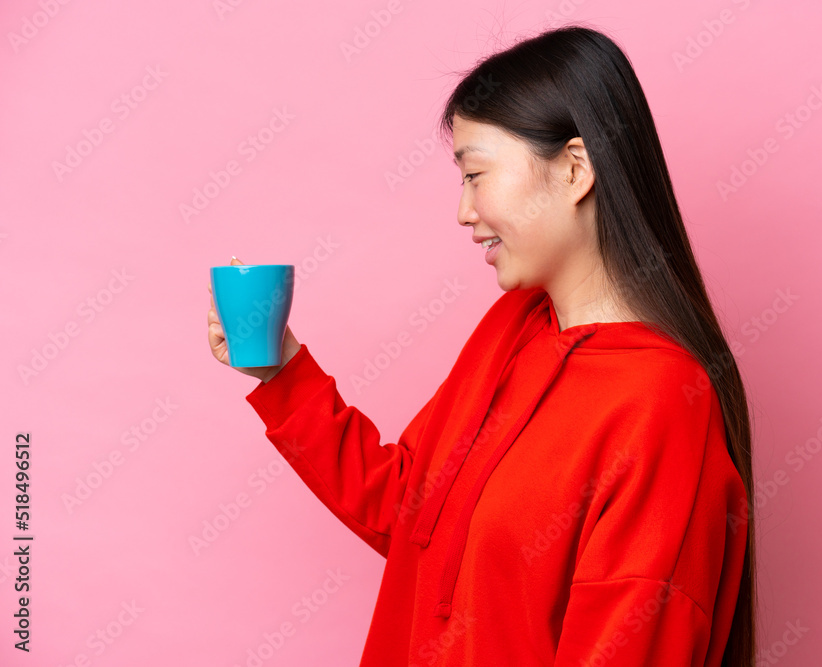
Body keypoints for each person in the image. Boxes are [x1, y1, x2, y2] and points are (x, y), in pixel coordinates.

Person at [207, 24, 756, 666]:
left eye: (476, 174)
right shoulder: (512, 328)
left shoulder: (662, 404)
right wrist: (282, 375)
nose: (463, 212)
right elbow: (411, 513)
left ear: (576, 169)